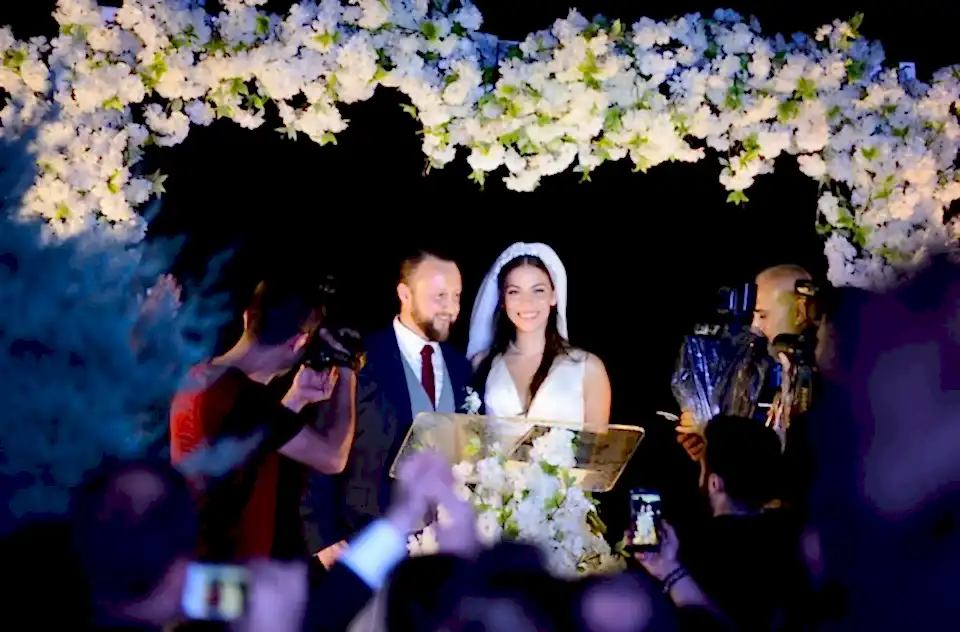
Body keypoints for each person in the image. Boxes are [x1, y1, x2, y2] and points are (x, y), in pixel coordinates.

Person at [170, 277, 357, 562]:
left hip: (196, 560)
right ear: (299, 342)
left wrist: (295, 400)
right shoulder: (238, 396)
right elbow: (333, 457)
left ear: (247, 318)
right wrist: (346, 366)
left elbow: (249, 439)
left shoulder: (202, 376)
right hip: (226, 566)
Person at [329, 250, 475, 544]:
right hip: (365, 534)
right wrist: (324, 537)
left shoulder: (461, 367)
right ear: (405, 294)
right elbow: (326, 445)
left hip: (440, 543)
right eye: (440, 296)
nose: (451, 308)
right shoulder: (361, 356)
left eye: (456, 296)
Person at [468, 242, 611, 443]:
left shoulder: (588, 368)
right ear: (502, 300)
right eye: (514, 292)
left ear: (554, 296)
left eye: (538, 290)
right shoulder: (482, 363)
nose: (527, 302)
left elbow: (597, 453)